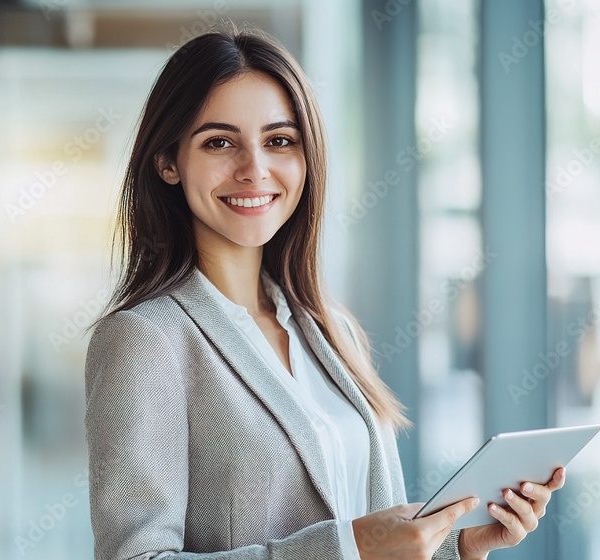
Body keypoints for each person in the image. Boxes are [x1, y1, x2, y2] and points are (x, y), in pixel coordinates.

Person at [83, 27, 565, 560]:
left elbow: (374, 525)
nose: (254, 169)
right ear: (168, 162)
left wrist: (459, 545)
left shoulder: (332, 330)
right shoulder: (143, 341)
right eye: (220, 142)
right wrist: (347, 548)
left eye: (279, 141)